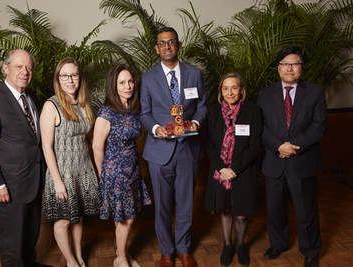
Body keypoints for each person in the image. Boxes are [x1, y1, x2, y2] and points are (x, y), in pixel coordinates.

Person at [0, 49, 51, 267]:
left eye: (28, 68)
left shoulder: (32, 96)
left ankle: (30, 263)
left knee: (31, 230)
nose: (24, 72)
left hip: (34, 179)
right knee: (12, 238)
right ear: (5, 68)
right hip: (10, 184)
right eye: (19, 67)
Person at [140, 27, 207, 267]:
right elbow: (145, 114)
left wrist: (196, 123)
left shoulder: (194, 74)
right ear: (157, 48)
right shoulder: (147, 78)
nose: (167, 46)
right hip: (160, 150)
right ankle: (167, 251)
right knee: (163, 206)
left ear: (179, 46)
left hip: (187, 149)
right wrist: (157, 129)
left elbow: (202, 106)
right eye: (162, 43)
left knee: (187, 203)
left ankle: (183, 249)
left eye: (171, 42)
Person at [257, 46, 327, 267]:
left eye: (294, 63)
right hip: (274, 161)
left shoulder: (315, 92)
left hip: (302, 161)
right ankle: (278, 244)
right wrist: (279, 146)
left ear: (301, 68)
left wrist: (293, 147)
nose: (289, 68)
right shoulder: (264, 94)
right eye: (285, 64)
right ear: (278, 68)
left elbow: (318, 127)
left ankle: (311, 250)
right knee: (275, 209)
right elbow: (261, 127)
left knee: (306, 211)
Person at [40, 58, 101, 267]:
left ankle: (79, 256)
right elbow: (46, 147)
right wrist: (57, 181)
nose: (70, 80)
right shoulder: (51, 105)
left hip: (83, 170)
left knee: (78, 216)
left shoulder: (84, 103)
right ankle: (71, 262)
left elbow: (89, 138)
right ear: (58, 79)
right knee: (64, 220)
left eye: (74, 75)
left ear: (80, 78)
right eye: (64, 76)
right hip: (62, 173)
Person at [92, 64, 151, 267]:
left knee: (125, 216)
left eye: (130, 81)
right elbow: (97, 146)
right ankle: (121, 259)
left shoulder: (133, 109)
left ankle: (121, 251)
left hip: (133, 169)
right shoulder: (107, 112)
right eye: (122, 82)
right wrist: (103, 175)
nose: (128, 86)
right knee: (127, 219)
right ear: (113, 86)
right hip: (116, 173)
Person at [204, 72, 262, 267]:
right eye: (225, 88)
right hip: (220, 172)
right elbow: (210, 144)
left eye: (234, 88)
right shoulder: (212, 112)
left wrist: (234, 169)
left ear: (242, 90)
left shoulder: (253, 112)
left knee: (241, 213)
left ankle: (240, 245)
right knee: (226, 210)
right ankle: (227, 245)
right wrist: (222, 168)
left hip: (242, 171)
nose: (230, 92)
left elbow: (254, 146)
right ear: (221, 91)